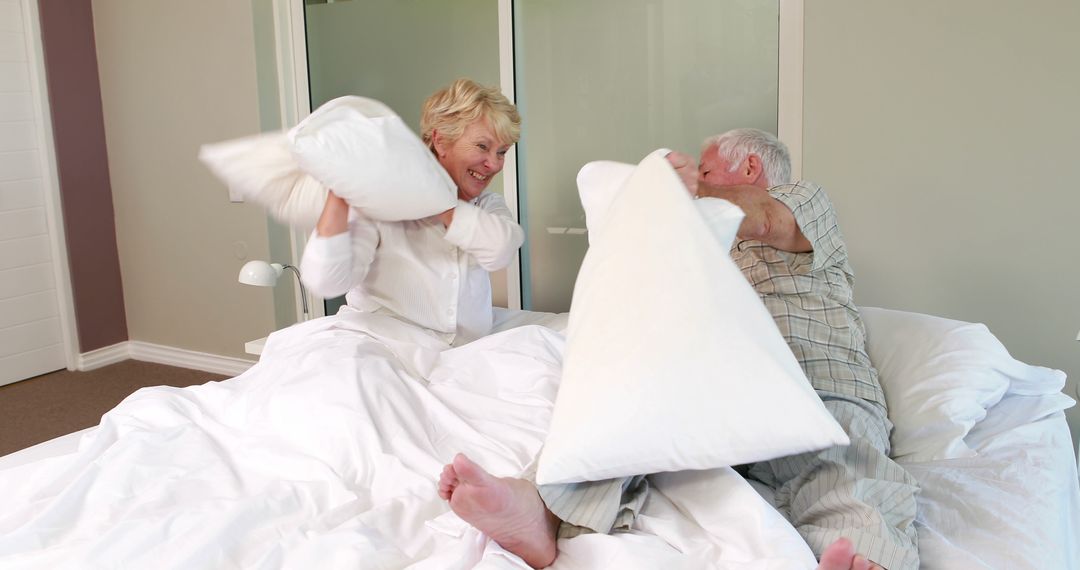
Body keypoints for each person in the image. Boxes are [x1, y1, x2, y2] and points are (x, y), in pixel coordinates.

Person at [438, 129, 918, 570]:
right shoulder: (692, 245)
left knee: (847, 468)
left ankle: (856, 553)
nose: (698, 184)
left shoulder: (803, 203)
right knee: (610, 419)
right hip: (710, 393)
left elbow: (768, 218)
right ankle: (539, 511)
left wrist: (679, 191)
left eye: (705, 172)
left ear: (750, 169)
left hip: (818, 389)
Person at [301, 78, 524, 345]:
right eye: (482, 146)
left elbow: (501, 251)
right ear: (441, 142)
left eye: (502, 152)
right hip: (383, 345)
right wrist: (340, 191)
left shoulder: (488, 205)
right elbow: (327, 282)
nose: (493, 164)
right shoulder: (380, 205)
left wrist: (436, 200)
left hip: (461, 352)